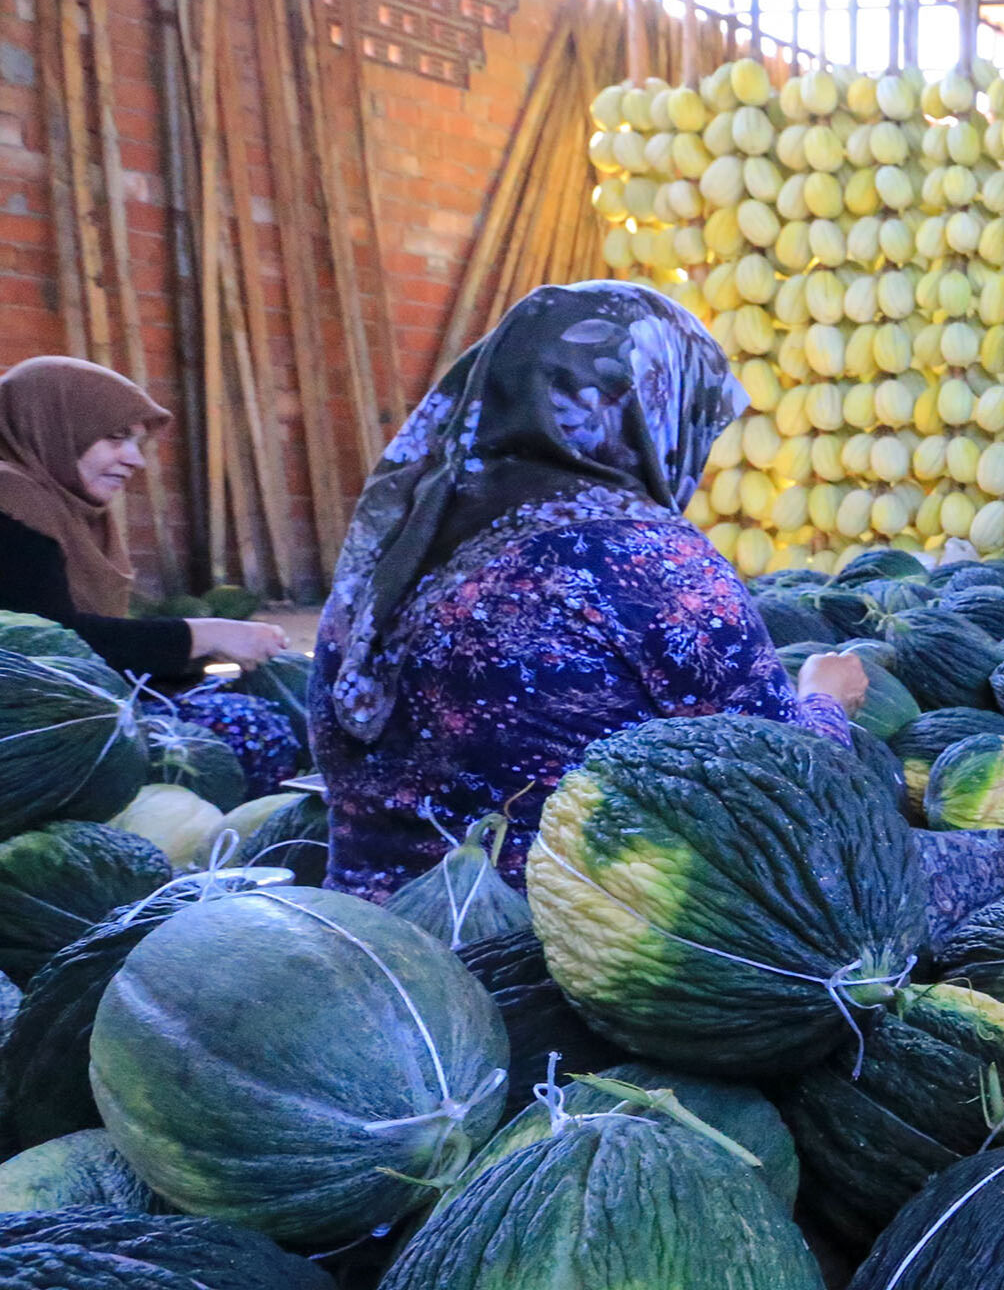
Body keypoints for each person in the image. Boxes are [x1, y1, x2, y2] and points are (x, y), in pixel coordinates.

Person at [312, 282, 866, 901]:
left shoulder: (396, 545)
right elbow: (792, 796)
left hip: (360, 939)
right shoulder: (647, 561)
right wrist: (826, 702)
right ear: (651, 410)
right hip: (547, 952)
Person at [0, 357, 291, 679]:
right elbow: (40, 645)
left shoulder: (67, 508)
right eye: (115, 437)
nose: (135, 460)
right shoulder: (11, 494)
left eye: (138, 443)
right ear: (50, 428)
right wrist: (203, 636)